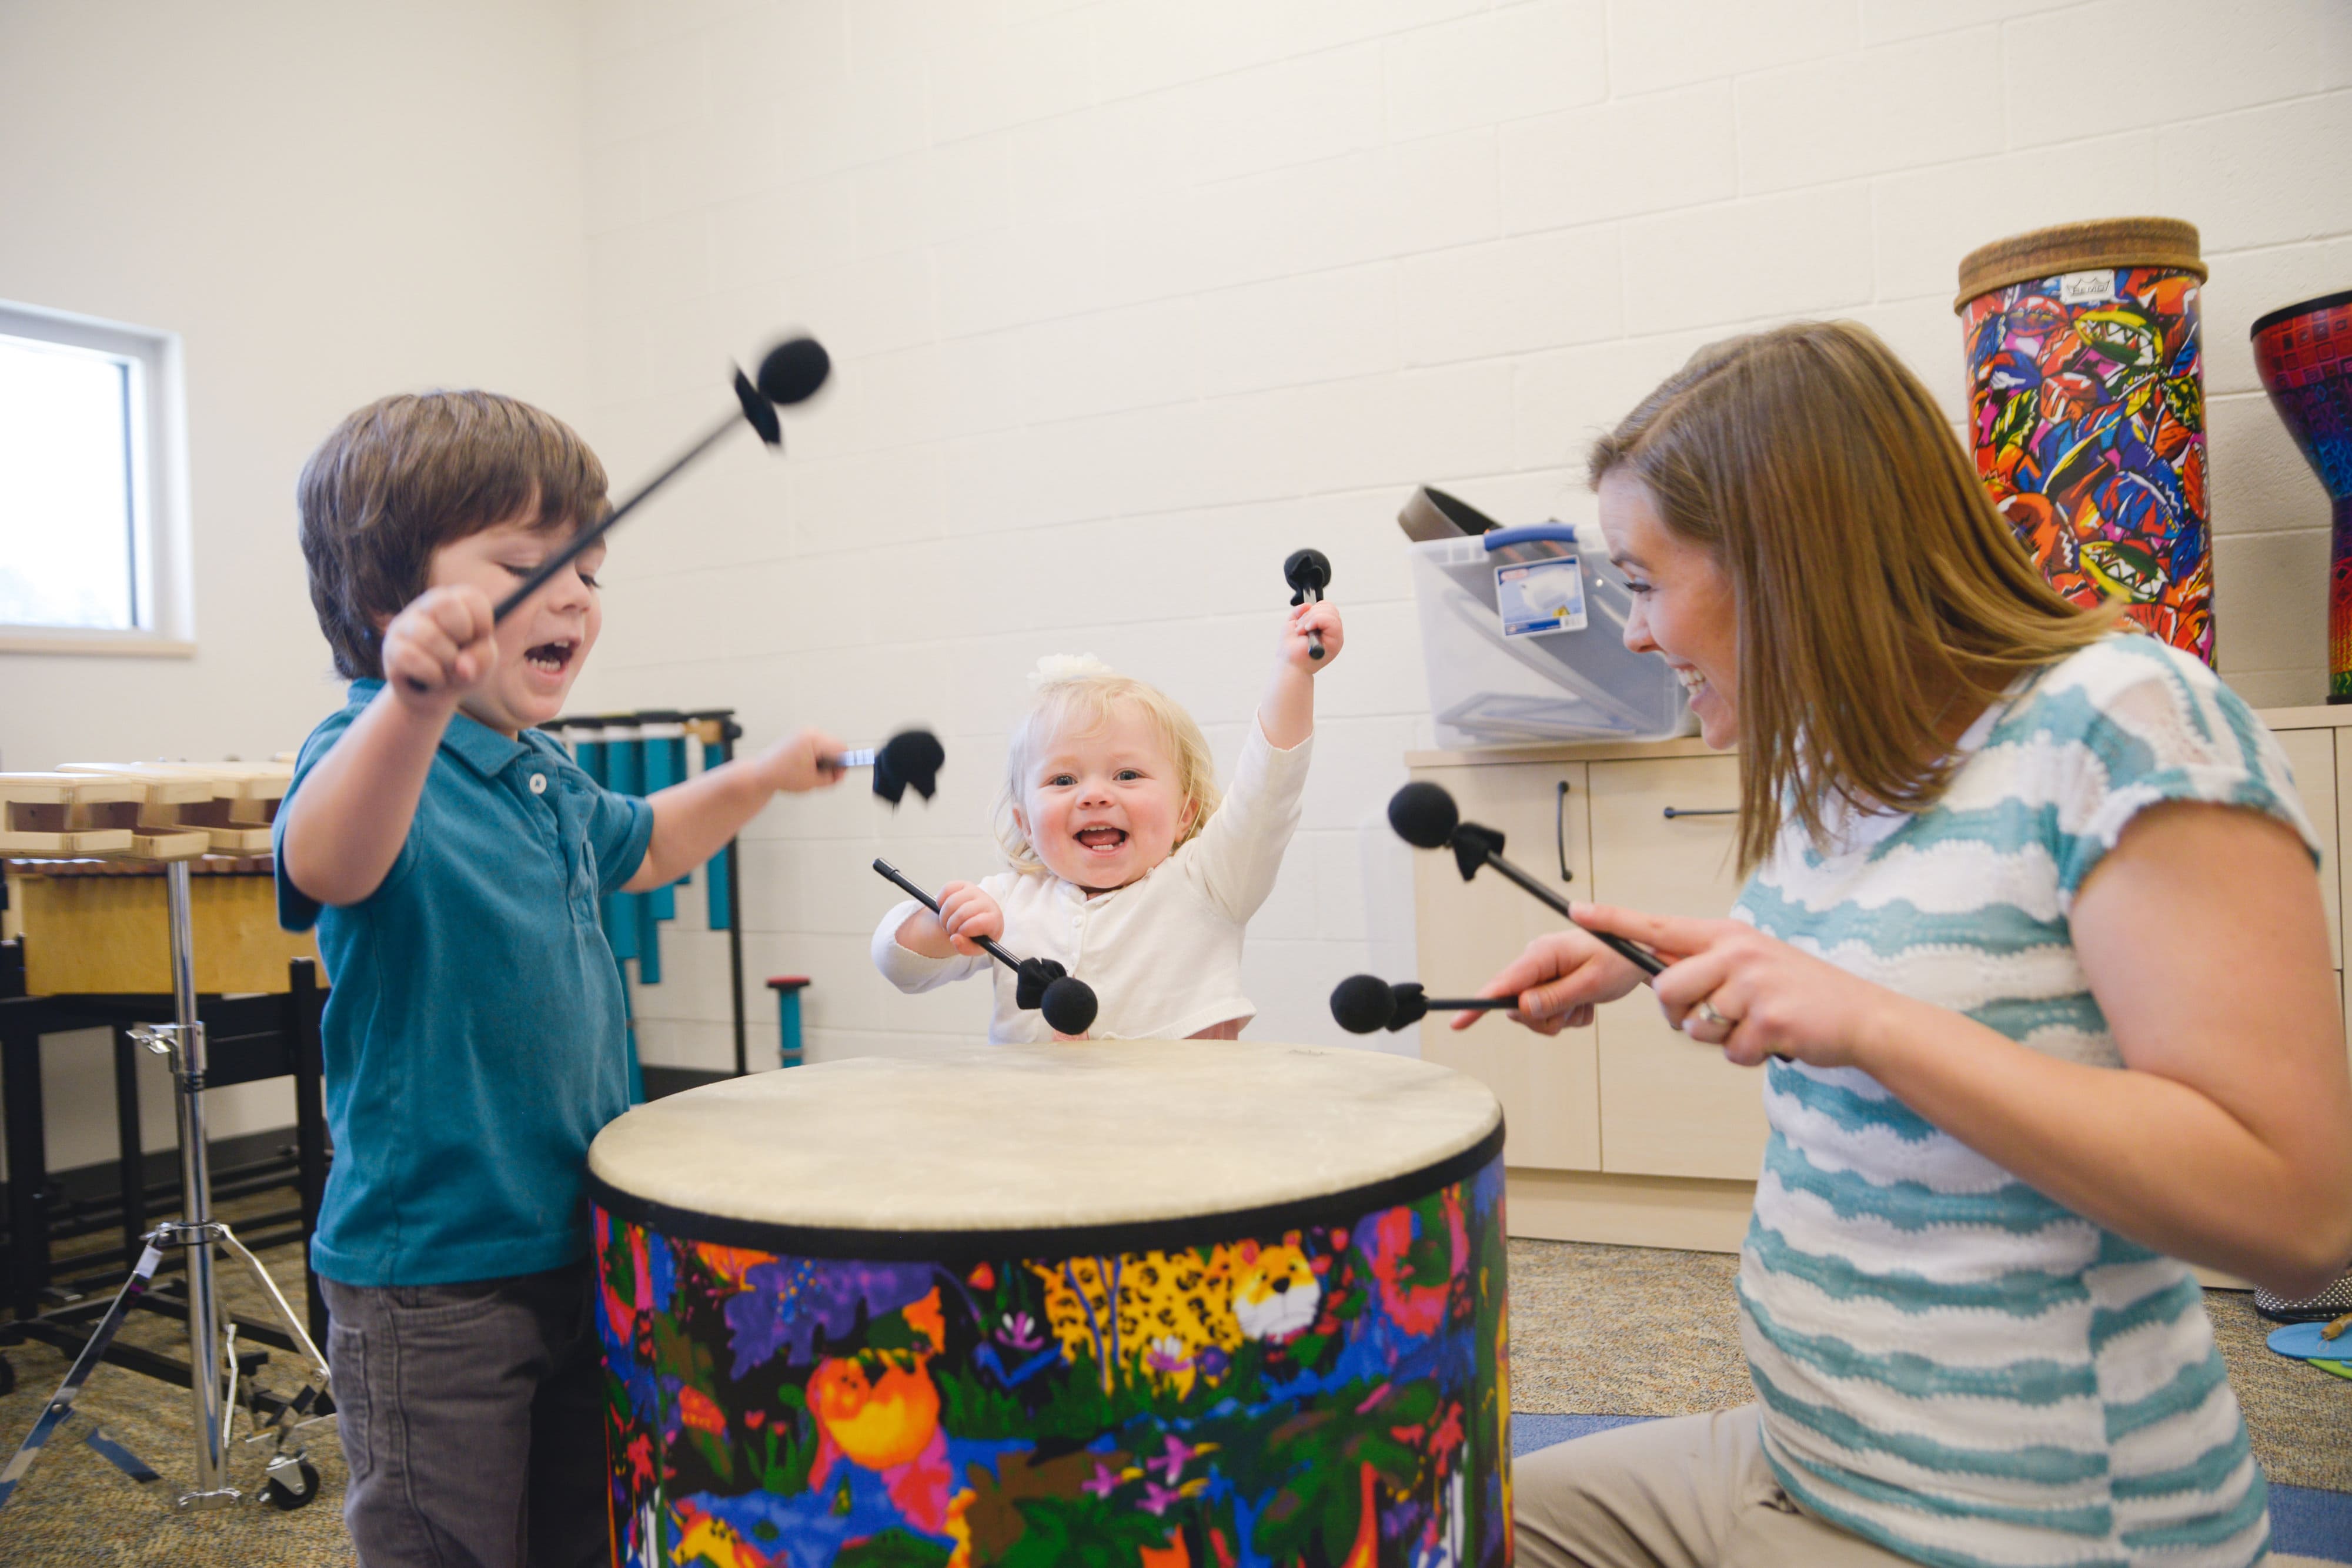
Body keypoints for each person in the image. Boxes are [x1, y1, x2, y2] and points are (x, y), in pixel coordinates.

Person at [1461, 321, 2352, 1568]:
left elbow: (2297, 1212)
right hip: (1799, 1451)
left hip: (2015, 1529)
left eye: (1644, 580)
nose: (1640, 635)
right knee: (1415, 1531)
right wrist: (1666, 953)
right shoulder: (1842, 757)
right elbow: (1941, 961)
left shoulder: (2126, 719)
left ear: (1785, 562)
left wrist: (1862, 1020)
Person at [275, 390, 845, 1567]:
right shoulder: (372, 754)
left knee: (585, 1529)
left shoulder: (543, 772)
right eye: (530, 565)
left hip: (576, 1238)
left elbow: (649, 839)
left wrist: (762, 776)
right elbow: (328, 858)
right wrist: (411, 701)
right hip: (430, 1277)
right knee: (452, 1545)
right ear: (394, 600)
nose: (577, 596)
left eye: (590, 567)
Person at [871, 598, 1343, 1041]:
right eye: (1062, 780)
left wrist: (1294, 672)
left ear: (1186, 814)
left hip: (1183, 1125)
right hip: (1034, 1124)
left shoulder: (1211, 882)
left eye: (1127, 774)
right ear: (1027, 824)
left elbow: (1269, 790)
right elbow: (897, 964)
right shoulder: (1009, 901)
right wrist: (942, 928)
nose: (1094, 795)